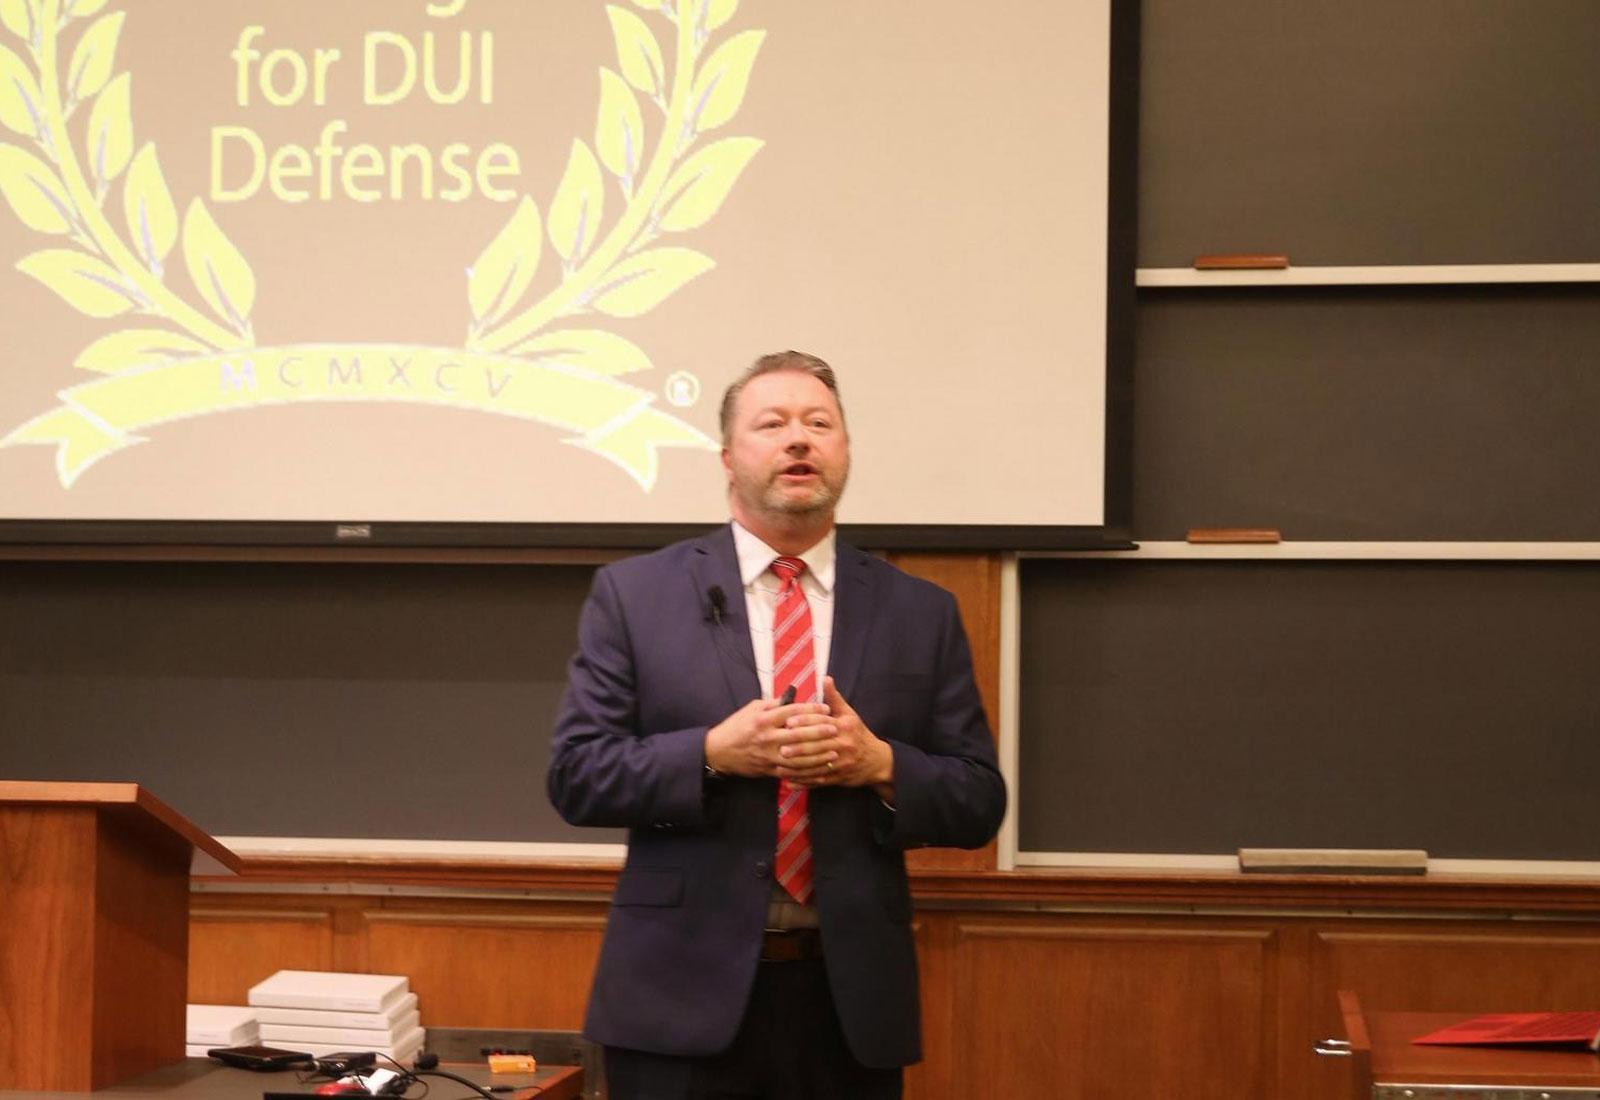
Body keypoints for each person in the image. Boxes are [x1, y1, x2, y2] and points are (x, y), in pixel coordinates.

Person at [547, 350, 1006, 1099]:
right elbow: (576, 776)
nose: (798, 439)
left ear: (845, 450)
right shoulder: (635, 595)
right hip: (675, 1000)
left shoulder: (919, 612)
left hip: (847, 1006)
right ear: (728, 458)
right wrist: (711, 754)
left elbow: (979, 798)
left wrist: (881, 765)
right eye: (772, 424)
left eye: (819, 423)